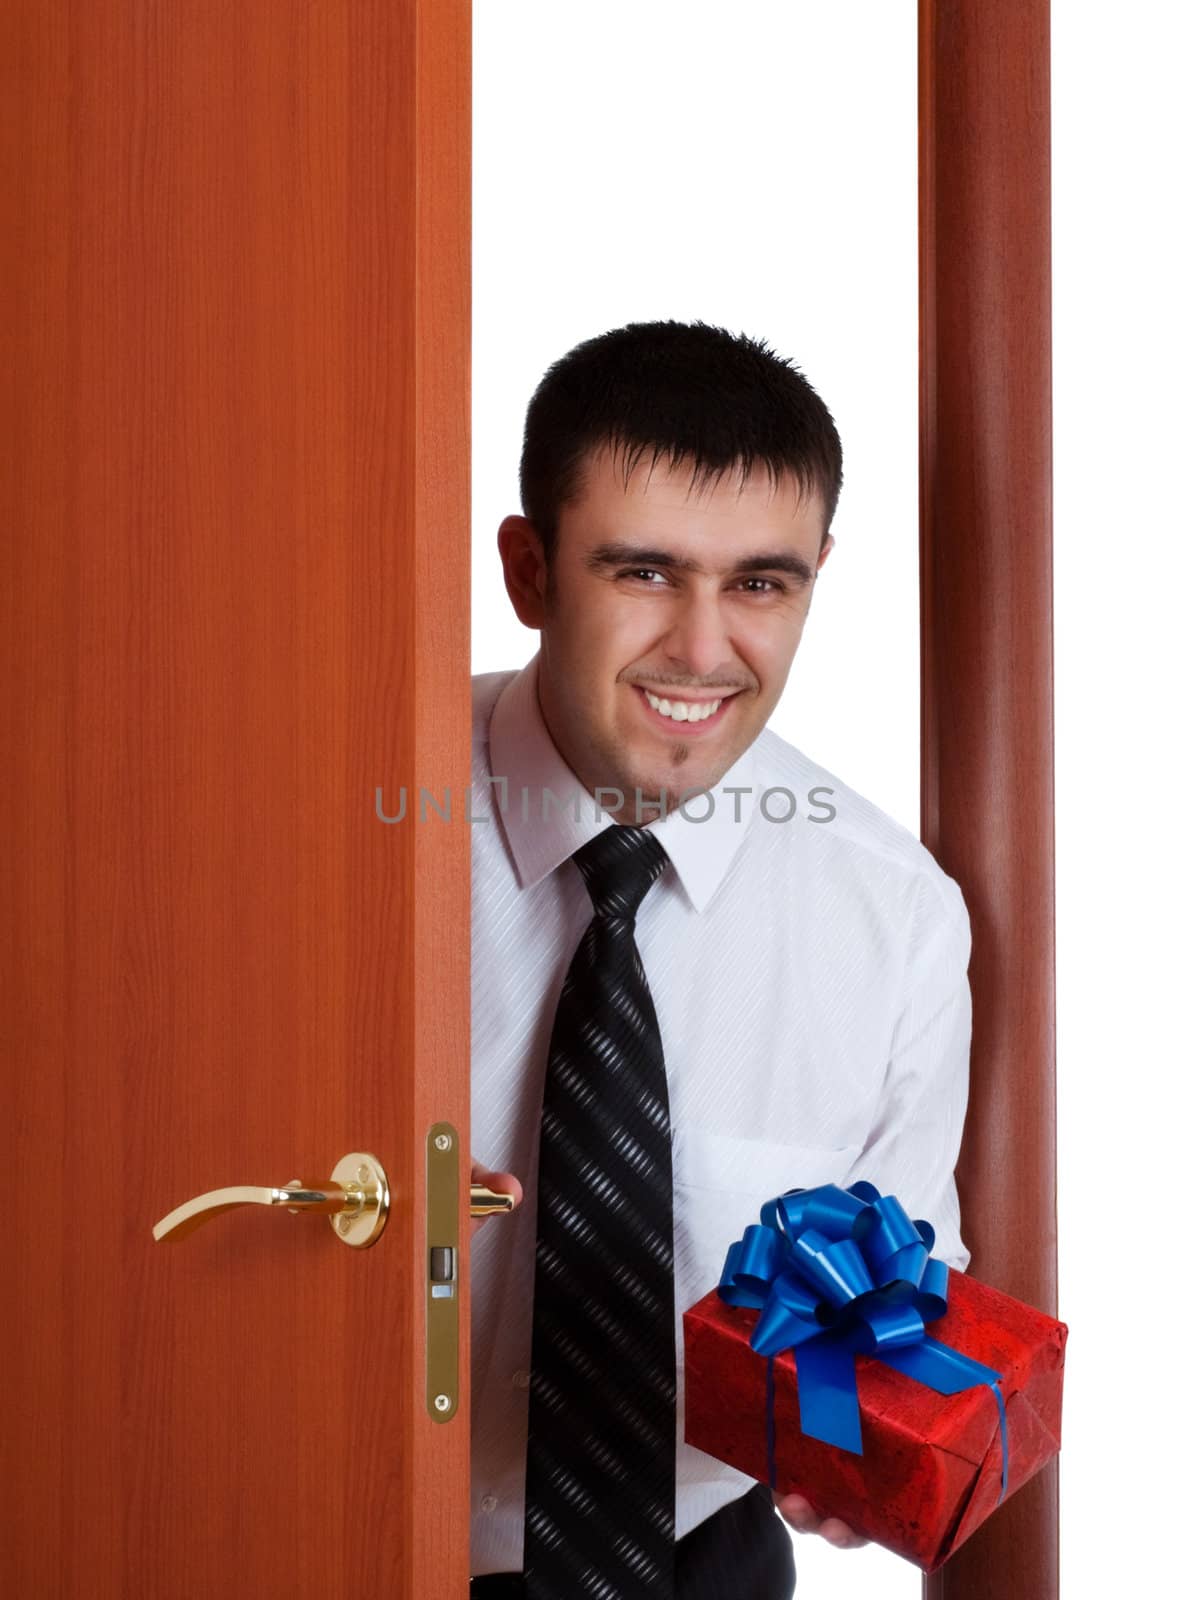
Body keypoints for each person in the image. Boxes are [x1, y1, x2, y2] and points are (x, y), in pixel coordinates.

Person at [468, 319, 972, 1598]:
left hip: (702, 1569)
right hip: (311, 1539)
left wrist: (863, 1440)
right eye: (643, 572)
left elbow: (901, 1284)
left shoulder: (896, 919)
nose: (702, 651)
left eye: (759, 583)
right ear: (529, 572)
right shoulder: (315, 834)